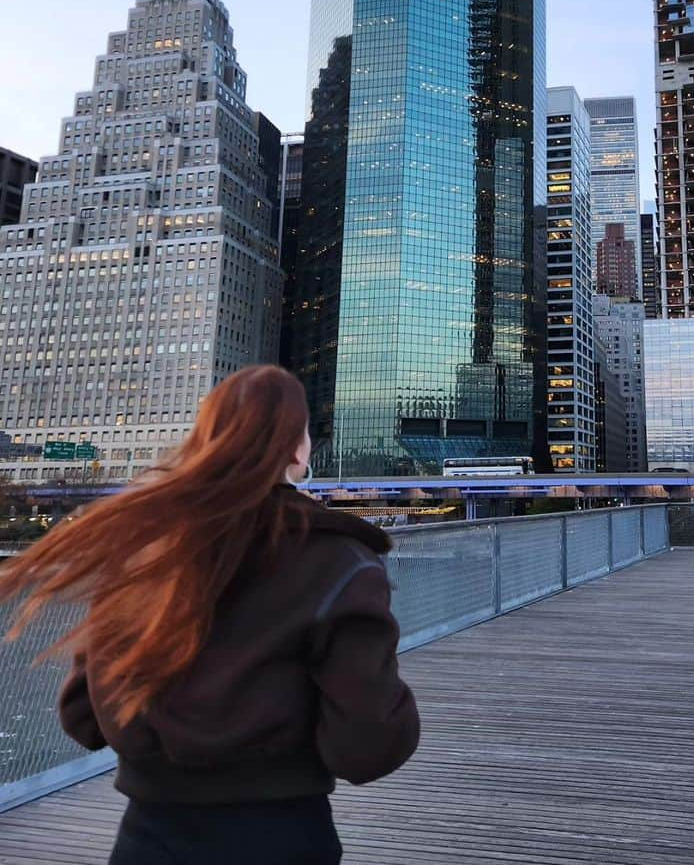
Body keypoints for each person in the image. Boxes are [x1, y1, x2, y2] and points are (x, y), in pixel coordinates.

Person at [0, 365, 419, 864]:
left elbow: (83, 718)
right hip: (281, 837)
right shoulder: (339, 561)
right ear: (296, 448)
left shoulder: (147, 547)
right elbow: (367, 747)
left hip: (147, 839)